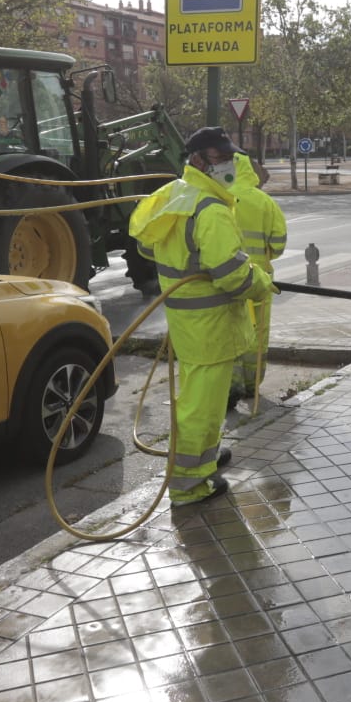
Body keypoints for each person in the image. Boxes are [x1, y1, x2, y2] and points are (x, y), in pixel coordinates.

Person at [128, 127, 273, 506]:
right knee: (202, 409)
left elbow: (146, 244)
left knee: (197, 400)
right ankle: (190, 484)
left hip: (188, 324)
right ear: (196, 160)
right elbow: (233, 275)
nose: (226, 165)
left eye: (228, 157)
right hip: (211, 327)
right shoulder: (210, 209)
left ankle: (205, 459)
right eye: (218, 158)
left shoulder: (174, 195)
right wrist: (261, 282)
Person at [229, 152, 287, 408]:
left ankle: (232, 384)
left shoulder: (218, 199)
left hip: (227, 278)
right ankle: (253, 384)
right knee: (257, 332)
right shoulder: (264, 202)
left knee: (230, 330)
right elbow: (278, 244)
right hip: (259, 279)